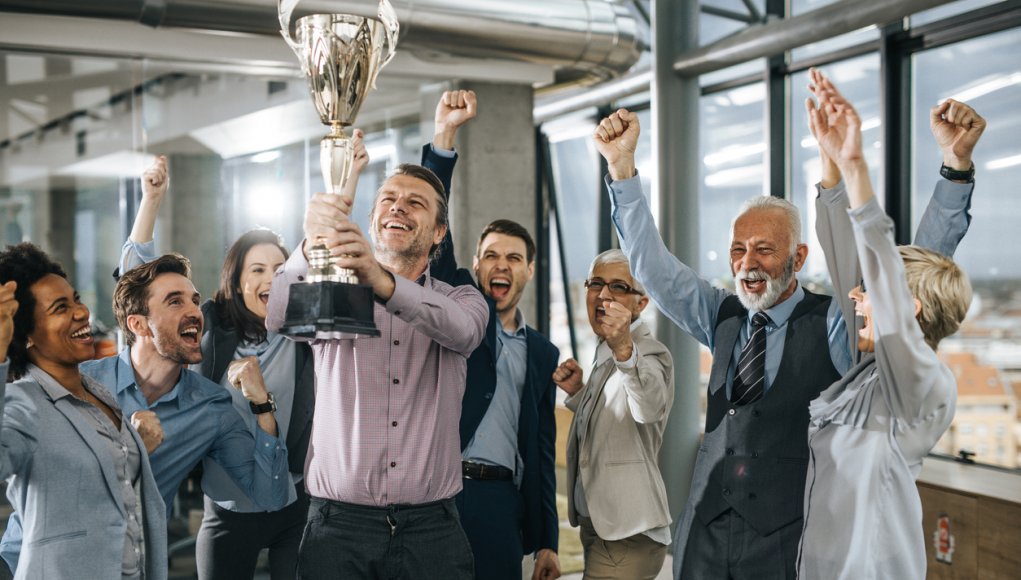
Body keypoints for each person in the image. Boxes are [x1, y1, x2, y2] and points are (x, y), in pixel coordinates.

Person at [594, 96, 981, 579]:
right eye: (738, 250)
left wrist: (955, 170)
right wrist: (622, 170)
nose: (747, 263)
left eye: (763, 250)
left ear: (798, 258)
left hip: (787, 545)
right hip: (704, 537)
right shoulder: (722, 313)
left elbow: (906, 280)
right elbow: (652, 268)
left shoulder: (837, 325)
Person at [265, 151, 488, 577]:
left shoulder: (460, 298)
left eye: (415, 202)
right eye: (388, 199)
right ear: (372, 222)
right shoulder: (339, 296)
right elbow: (277, 316)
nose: (398, 206)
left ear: (439, 231)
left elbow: (462, 330)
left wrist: (381, 282)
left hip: (433, 530)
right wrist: (314, 239)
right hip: (338, 528)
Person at [799, 69, 976, 579]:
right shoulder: (867, 374)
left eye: (871, 293)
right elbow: (847, 258)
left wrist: (855, 166)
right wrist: (830, 162)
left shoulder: (922, 385)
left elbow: (877, 262)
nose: (854, 295)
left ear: (906, 309)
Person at [122, 154, 328, 579]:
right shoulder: (209, 325)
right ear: (237, 282)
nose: (271, 278)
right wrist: (152, 201)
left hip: (295, 502)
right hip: (226, 506)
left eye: (280, 269)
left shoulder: (303, 329)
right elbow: (138, 285)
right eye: (258, 269)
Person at [418, 89, 561, 580]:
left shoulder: (542, 351)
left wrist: (547, 542)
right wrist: (444, 136)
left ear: (529, 271)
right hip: (438, 492)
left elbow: (540, 448)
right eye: (492, 256)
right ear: (475, 266)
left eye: (514, 258)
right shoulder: (459, 305)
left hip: (501, 505)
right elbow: (437, 234)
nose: (502, 266)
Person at [0, 243, 167, 580]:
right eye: (61, 307)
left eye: (76, 299)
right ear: (27, 336)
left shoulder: (97, 391)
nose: (82, 312)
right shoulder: (23, 402)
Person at [553, 249, 674, 579]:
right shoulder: (604, 352)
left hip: (628, 531)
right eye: (596, 283)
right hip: (600, 525)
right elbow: (614, 422)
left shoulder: (650, 353)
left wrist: (624, 346)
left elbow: (648, 408)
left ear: (641, 304)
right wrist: (579, 393)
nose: (604, 294)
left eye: (619, 286)